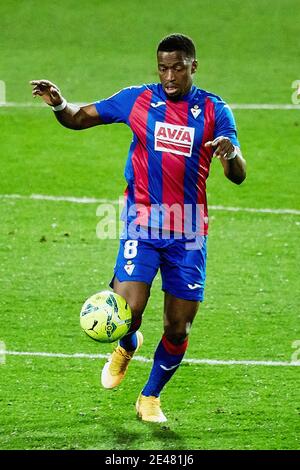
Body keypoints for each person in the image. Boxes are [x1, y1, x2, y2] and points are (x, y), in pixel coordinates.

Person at [31, 33, 246, 423]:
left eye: (178, 67)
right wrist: (59, 103)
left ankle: (149, 397)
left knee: (178, 327)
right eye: (163, 67)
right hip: (142, 223)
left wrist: (229, 154)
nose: (169, 76)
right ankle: (127, 345)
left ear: (193, 66)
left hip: (189, 232)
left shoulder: (215, 109)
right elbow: (80, 118)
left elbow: (237, 174)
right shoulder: (138, 99)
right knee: (127, 309)